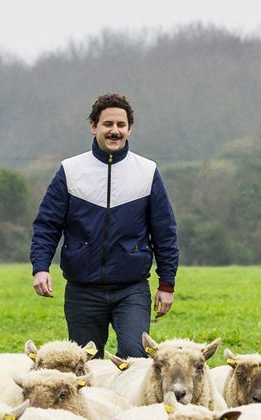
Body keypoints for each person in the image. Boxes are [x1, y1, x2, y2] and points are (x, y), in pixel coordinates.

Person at [29, 92, 180, 358]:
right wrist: (40, 267)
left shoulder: (147, 172)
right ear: (93, 126)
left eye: (121, 125)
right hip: (82, 290)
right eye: (108, 124)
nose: (114, 131)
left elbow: (165, 233)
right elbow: (47, 225)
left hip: (131, 289)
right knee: (85, 366)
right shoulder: (70, 170)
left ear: (129, 129)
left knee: (136, 358)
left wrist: (167, 284)